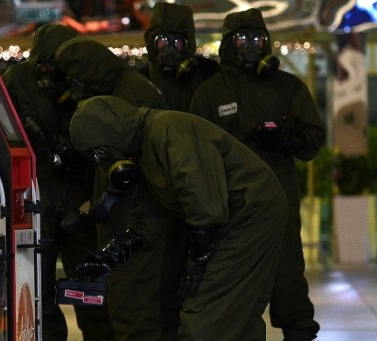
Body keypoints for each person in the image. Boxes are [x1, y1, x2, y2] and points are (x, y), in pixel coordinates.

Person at [69, 95, 288, 340]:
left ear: (110, 132)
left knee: (205, 317)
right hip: (239, 215)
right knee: (236, 315)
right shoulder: (147, 147)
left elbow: (205, 205)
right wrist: (111, 255)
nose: (102, 161)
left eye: (98, 153)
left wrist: (197, 265)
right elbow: (150, 216)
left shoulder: (168, 132)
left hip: (250, 214)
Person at [189, 8, 325, 341]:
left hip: (279, 206)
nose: (250, 45)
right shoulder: (210, 92)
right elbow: (192, 153)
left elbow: (312, 142)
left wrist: (284, 139)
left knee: (289, 288)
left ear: (267, 43)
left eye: (257, 39)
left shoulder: (287, 87)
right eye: (242, 39)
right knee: (235, 299)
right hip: (229, 211)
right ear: (228, 44)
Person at [54, 37, 174, 339]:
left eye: (76, 79)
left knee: (131, 307)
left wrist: (105, 203)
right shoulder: (128, 88)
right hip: (132, 221)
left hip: (134, 223)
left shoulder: (131, 95)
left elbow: (129, 168)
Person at [2, 23, 115, 341]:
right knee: (41, 291)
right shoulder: (19, 80)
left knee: (89, 289)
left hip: (79, 196)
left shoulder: (80, 77)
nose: (49, 77)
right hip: (42, 195)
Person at [140, 3, 220, 336]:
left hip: (203, 195)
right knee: (161, 284)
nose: (169, 51)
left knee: (208, 285)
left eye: (177, 42)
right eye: (161, 42)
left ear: (189, 43)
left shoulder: (210, 79)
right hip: (157, 198)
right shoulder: (138, 83)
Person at [141, 2, 220, 111]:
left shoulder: (207, 74)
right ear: (152, 43)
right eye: (163, 40)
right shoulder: (140, 81)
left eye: (177, 41)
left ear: (186, 45)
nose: (169, 48)